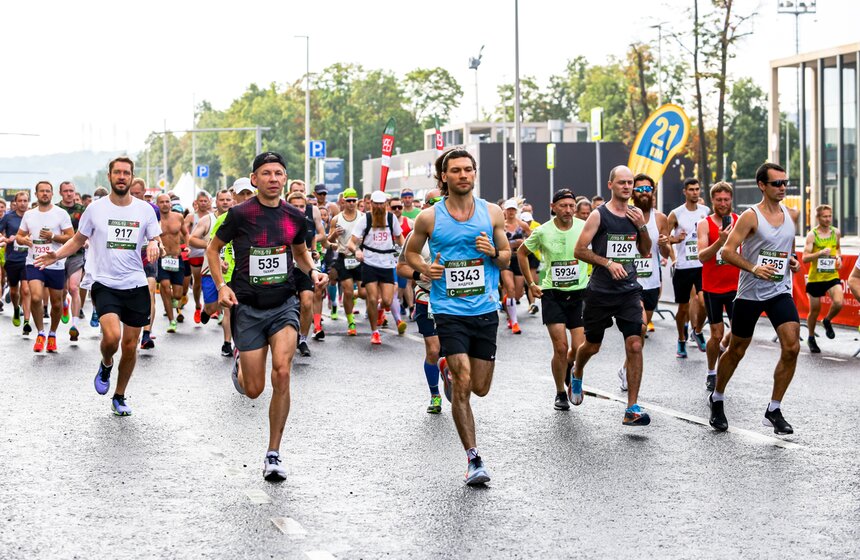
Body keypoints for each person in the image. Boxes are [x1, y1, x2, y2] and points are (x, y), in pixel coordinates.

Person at [207, 151, 327, 482]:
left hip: (283, 304)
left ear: (285, 178)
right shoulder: (239, 214)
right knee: (254, 390)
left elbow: (300, 253)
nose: (273, 178)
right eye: (266, 173)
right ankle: (241, 364)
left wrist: (313, 271)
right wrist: (221, 286)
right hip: (248, 306)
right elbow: (212, 250)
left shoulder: (294, 216)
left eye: (278, 173)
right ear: (254, 178)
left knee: (283, 372)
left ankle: (273, 453)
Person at [405, 148, 510, 485]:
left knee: (481, 387)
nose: (463, 175)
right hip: (448, 310)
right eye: (456, 170)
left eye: (468, 169)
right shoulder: (429, 218)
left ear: (474, 173)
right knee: (463, 383)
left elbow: (506, 256)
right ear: (444, 176)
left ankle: (450, 370)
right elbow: (409, 254)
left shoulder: (491, 212)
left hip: (485, 309)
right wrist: (425, 268)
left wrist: (493, 252)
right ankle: (474, 459)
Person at [36, 156, 161, 416]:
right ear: (110, 176)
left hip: (135, 283)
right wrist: (56, 255)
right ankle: (106, 363)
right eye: (117, 172)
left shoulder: (145, 210)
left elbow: (155, 239)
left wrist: (153, 244)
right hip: (105, 282)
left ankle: (119, 395)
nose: (122, 177)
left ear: (131, 176)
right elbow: (78, 239)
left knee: (130, 345)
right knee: (112, 338)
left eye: (126, 173)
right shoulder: (95, 209)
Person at [709, 162, 800, 435]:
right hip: (750, 293)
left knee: (792, 347)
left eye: (785, 183)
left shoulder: (791, 214)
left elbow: (788, 247)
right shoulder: (750, 216)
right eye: (777, 183)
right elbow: (726, 252)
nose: (783, 187)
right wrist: (754, 268)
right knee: (737, 350)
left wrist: (793, 261)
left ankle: (774, 409)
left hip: (779, 290)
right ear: (762, 185)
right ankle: (717, 397)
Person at [572, 165, 652, 427]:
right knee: (592, 346)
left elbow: (645, 250)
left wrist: (642, 227)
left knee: (635, 343)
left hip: (628, 289)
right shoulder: (599, 215)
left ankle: (632, 408)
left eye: (630, 183)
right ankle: (577, 370)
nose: (627, 187)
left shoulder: (636, 214)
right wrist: (607, 263)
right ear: (610, 185)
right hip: (601, 292)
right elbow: (579, 250)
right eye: (622, 182)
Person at [517, 188, 590, 410]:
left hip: (579, 293)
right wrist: (531, 283)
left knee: (578, 347)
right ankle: (560, 393)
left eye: (571, 206)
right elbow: (521, 253)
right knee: (560, 348)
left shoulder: (585, 227)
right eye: (563, 206)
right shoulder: (543, 231)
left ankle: (573, 373)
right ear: (553, 207)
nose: (568, 210)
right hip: (552, 294)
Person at [618, 173, 670, 391]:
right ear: (633, 193)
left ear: (653, 191)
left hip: (651, 283)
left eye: (647, 189)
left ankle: (625, 367)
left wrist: (665, 244)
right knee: (638, 327)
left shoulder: (661, 219)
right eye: (639, 189)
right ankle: (629, 374)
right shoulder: (624, 216)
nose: (643, 193)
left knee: (640, 333)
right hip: (630, 283)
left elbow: (665, 252)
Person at [396, 188, 444, 414]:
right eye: (432, 202)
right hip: (427, 297)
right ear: (424, 207)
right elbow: (401, 267)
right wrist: (419, 274)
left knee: (455, 350)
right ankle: (435, 395)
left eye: (442, 201)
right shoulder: (416, 235)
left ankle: (451, 376)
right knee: (434, 350)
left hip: (457, 300)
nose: (438, 206)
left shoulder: (461, 231)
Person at [16, 181, 74, 352]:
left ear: (52, 194)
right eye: (42, 191)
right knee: (35, 297)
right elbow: (19, 236)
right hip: (34, 262)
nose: (45, 194)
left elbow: (71, 237)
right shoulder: (29, 215)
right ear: (36, 194)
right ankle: (41, 333)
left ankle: (52, 334)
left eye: (48, 191)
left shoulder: (61, 213)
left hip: (55, 263)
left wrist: (53, 236)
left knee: (56, 303)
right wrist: (24, 240)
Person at [696, 182, 740, 392]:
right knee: (715, 333)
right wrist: (720, 242)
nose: (723, 204)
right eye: (719, 200)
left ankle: (723, 347)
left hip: (737, 286)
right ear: (712, 200)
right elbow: (702, 256)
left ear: (731, 199)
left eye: (726, 199)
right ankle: (711, 371)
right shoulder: (704, 224)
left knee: (739, 332)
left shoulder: (740, 221)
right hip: (713, 287)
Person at [347, 191, 405, 344]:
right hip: (369, 263)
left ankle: (379, 310)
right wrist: (357, 251)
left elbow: (400, 238)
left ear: (385, 204)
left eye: (381, 204)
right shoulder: (365, 219)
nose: (379, 207)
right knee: (372, 298)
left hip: (387, 263)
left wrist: (405, 251)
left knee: (387, 301)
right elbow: (351, 242)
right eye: (376, 204)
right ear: (371, 204)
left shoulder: (391, 218)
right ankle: (375, 332)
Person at [666, 178, 710, 357]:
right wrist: (675, 241)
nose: (695, 192)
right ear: (684, 192)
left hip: (701, 265)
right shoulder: (676, 214)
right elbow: (663, 239)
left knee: (704, 302)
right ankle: (681, 339)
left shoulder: (705, 211)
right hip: (683, 267)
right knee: (683, 308)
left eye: (697, 189)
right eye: (691, 189)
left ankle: (697, 331)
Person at [189, 188, 234, 356]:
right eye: (222, 200)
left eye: (228, 199)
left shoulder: (238, 218)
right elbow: (192, 239)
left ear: (232, 201)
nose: (225, 202)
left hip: (233, 272)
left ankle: (227, 343)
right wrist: (211, 246)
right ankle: (206, 311)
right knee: (212, 307)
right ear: (216, 201)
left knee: (228, 308)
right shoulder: (208, 220)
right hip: (210, 270)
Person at [287, 180, 327, 355]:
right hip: (286, 267)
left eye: (301, 206)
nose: (299, 209)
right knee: (289, 305)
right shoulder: (281, 219)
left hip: (304, 264)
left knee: (307, 300)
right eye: (294, 206)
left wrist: (313, 249)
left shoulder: (312, 213)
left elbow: (318, 234)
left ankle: (302, 339)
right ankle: (286, 336)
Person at [802, 204, 843, 353]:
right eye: (825, 216)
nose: (828, 219)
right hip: (816, 278)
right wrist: (819, 253)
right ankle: (811, 337)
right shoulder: (812, 235)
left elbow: (837, 248)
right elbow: (805, 258)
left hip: (832, 275)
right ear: (818, 218)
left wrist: (839, 258)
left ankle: (827, 320)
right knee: (814, 310)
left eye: (829, 216)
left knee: (839, 302)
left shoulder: (836, 232)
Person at [129, 178, 162, 349]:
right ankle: (132, 329)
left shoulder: (152, 210)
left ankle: (146, 334)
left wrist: (157, 244)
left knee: (150, 292)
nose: (135, 196)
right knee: (132, 293)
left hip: (147, 254)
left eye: (138, 193)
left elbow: (155, 233)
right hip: (129, 255)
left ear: (144, 192)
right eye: (132, 193)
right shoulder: (123, 209)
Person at [327, 188, 364, 336]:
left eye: (354, 200)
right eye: (349, 201)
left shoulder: (363, 217)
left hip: (360, 257)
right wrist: (334, 234)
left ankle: (354, 296)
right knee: (347, 291)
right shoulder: (336, 219)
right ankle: (351, 322)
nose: (352, 203)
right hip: (344, 258)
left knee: (363, 292)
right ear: (343, 201)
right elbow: (328, 240)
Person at [0, 191, 33, 334]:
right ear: (15, 202)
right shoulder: (8, 217)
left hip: (28, 258)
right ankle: (15, 308)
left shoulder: (32, 216)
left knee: (26, 290)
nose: (23, 203)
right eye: (20, 201)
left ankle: (26, 321)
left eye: (25, 201)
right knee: (14, 291)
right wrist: (6, 239)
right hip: (12, 258)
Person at [57, 181, 86, 340]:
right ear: (60, 193)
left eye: (71, 191)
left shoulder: (83, 210)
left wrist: (88, 241)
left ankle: (74, 326)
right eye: (66, 191)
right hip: (58, 254)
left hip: (77, 253)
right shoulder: (55, 209)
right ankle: (64, 304)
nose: (69, 194)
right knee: (62, 291)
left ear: (75, 192)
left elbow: (91, 228)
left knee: (74, 288)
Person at [155, 193, 187, 333]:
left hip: (176, 258)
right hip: (161, 258)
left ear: (171, 203)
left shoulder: (178, 217)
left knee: (178, 294)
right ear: (157, 204)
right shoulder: (154, 219)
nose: (165, 204)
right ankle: (171, 320)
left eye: (167, 201)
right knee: (165, 286)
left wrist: (187, 246)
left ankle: (173, 299)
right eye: (161, 202)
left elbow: (186, 233)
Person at [500, 199, 531, 334]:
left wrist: (524, 242)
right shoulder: (501, 225)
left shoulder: (522, 225)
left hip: (519, 259)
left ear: (516, 211)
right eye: (509, 209)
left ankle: (506, 300)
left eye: (513, 209)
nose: (511, 212)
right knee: (510, 288)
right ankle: (514, 322)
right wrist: (511, 244)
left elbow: (532, 237)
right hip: (506, 259)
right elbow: (495, 241)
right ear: (505, 211)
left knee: (517, 294)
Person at [184, 191, 213, 324]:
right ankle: (197, 306)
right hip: (195, 252)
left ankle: (213, 307)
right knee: (197, 282)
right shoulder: (191, 217)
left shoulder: (212, 216)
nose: (203, 203)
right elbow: (184, 233)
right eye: (201, 201)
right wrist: (186, 246)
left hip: (210, 253)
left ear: (209, 202)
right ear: (196, 202)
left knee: (214, 280)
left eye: (205, 201)